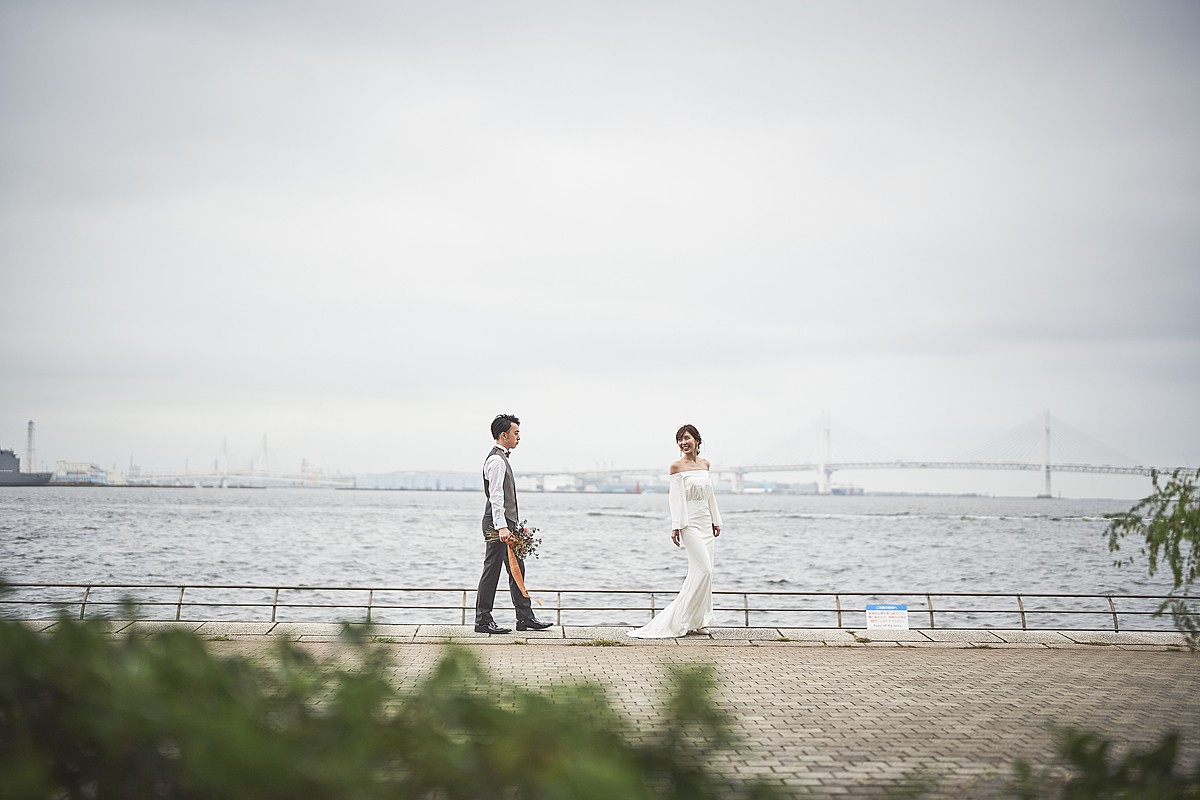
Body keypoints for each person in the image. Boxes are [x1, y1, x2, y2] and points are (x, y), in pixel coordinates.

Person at [628, 423, 723, 638]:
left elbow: (710, 495)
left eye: (687, 438)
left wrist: (716, 520)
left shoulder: (705, 464)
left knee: (704, 574)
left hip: (706, 523)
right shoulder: (676, 467)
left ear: (697, 440)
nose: (683, 443)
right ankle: (681, 620)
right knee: (704, 570)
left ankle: (699, 620)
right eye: (680, 440)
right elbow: (675, 499)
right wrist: (676, 526)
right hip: (689, 524)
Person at [474, 413, 552, 634]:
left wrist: (513, 525)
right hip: (497, 524)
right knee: (492, 570)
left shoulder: (502, 458)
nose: (519, 437)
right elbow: (496, 496)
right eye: (516, 433)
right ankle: (482, 621)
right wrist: (502, 527)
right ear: (503, 435)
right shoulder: (496, 461)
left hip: (507, 523)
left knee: (517, 567)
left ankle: (525, 618)